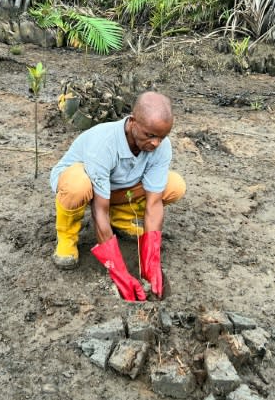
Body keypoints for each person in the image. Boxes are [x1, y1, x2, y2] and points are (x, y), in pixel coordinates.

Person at [49, 91, 186, 301]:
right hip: (84, 187)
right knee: (78, 185)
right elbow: (99, 210)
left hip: (120, 189)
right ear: (132, 122)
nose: (156, 143)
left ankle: (122, 220)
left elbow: (154, 203)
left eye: (162, 137)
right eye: (150, 135)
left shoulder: (160, 146)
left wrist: (151, 262)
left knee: (174, 185)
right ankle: (67, 237)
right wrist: (118, 270)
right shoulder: (104, 143)